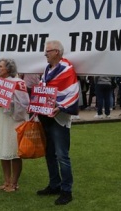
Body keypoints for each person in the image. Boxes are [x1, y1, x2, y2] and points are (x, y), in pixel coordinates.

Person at [36, 40, 79, 206]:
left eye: (47, 51)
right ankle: (54, 184)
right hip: (46, 116)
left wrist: (60, 107)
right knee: (50, 153)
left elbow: (72, 92)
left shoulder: (67, 69)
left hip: (59, 117)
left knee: (62, 156)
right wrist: (36, 105)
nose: (45, 54)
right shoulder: (48, 69)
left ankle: (66, 191)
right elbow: (43, 88)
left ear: (56, 52)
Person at [0, 58, 30, 192]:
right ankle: (6, 182)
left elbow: (24, 103)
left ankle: (14, 183)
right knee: (3, 150)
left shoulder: (19, 83)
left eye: (1, 66)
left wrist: (8, 103)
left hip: (14, 119)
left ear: (8, 69)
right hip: (1, 116)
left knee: (14, 151)